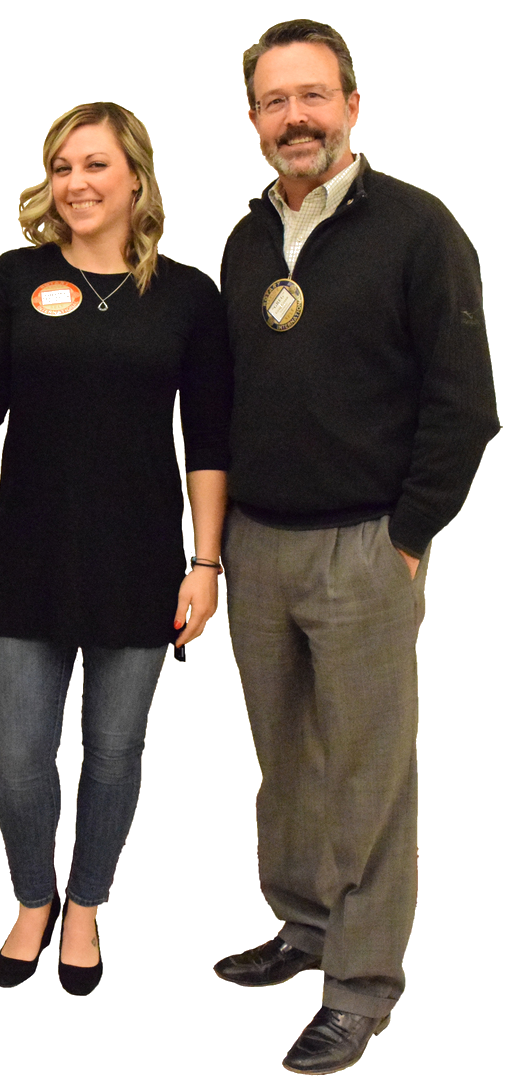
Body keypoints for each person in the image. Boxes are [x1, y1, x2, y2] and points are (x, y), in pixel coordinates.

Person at [213, 19, 499, 1073]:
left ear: (350, 105)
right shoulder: (246, 237)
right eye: (273, 102)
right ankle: (302, 923)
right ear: (254, 120)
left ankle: (362, 984)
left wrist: (408, 534)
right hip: (258, 544)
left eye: (312, 96)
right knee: (285, 756)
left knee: (368, 772)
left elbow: (465, 405)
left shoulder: (419, 227)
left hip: (365, 547)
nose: (295, 118)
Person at [0, 101, 232, 996]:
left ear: (136, 178)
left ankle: (86, 909)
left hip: (142, 561)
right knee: (21, 759)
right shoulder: (14, 274)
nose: (75, 183)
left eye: (94, 164)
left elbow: (209, 440)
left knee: (115, 751)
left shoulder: (188, 294)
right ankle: (32, 900)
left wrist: (205, 562)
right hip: (28, 554)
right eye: (61, 167)